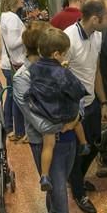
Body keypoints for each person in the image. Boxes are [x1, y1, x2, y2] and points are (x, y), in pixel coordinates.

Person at [13, 21, 81, 213]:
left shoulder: (58, 68)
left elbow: (77, 96)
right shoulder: (23, 77)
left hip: (67, 137)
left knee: (59, 188)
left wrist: (75, 118)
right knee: (62, 205)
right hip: (46, 141)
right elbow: (33, 119)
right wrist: (65, 123)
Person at [64, 0, 107, 213]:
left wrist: (103, 101)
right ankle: (78, 191)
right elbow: (60, 78)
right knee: (76, 152)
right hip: (74, 109)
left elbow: (95, 71)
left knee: (94, 146)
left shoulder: (97, 36)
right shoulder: (68, 38)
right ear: (95, 19)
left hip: (92, 103)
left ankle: (77, 179)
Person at [28, 28, 89, 192]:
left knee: (48, 145)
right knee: (77, 119)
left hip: (44, 113)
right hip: (63, 113)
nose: (65, 56)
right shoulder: (62, 73)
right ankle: (84, 144)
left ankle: (45, 175)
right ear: (56, 54)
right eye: (64, 53)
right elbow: (77, 92)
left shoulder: (32, 69)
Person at [0, 0, 27, 141]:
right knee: (18, 98)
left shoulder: (5, 15)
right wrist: (28, 33)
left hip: (7, 63)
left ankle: (8, 126)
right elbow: (12, 43)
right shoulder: (12, 18)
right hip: (14, 64)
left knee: (10, 95)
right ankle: (19, 131)